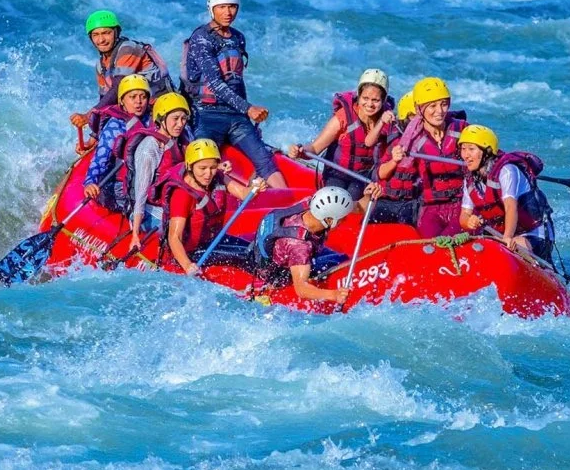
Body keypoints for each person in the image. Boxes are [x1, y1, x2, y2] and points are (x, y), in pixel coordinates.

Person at [179, 0, 287, 189]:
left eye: (232, 6)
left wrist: (248, 117)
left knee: (264, 159)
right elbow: (216, 84)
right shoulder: (201, 38)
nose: (228, 12)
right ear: (211, 8)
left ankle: (288, 203)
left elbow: (237, 80)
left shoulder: (238, 38)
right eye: (222, 7)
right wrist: (248, 108)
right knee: (205, 161)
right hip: (205, 114)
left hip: (235, 114)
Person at [252, 183, 382, 306]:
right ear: (330, 220)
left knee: (340, 257)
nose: (345, 220)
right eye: (342, 218)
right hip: (280, 273)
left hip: (282, 251)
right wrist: (334, 295)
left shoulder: (313, 205)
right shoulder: (300, 246)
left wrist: (369, 197)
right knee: (338, 260)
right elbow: (301, 289)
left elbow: (358, 207)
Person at [162, 138, 265, 277]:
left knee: (255, 250)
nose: (208, 174)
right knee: (246, 257)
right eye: (202, 168)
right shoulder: (182, 195)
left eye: (212, 167)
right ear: (190, 167)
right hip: (192, 253)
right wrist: (187, 265)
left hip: (212, 242)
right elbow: (174, 237)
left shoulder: (218, 177)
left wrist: (255, 189)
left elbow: (243, 193)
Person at [289, 68, 395, 200]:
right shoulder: (344, 117)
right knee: (336, 199)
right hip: (337, 173)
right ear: (358, 96)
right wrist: (300, 151)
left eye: (375, 100)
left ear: (384, 100)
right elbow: (315, 148)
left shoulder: (388, 120)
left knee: (352, 199)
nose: (369, 104)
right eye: (365, 98)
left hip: (364, 177)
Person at [385, 77, 468, 238]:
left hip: (463, 205)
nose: (440, 111)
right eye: (433, 106)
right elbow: (384, 175)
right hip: (431, 208)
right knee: (429, 244)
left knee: (450, 241)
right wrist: (395, 160)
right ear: (419, 109)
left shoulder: (462, 130)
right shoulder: (410, 140)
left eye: (444, 104)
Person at [458, 125, 554, 261]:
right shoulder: (470, 179)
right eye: (463, 149)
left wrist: (507, 237)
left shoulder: (507, 170)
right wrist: (469, 221)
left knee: (504, 252)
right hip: (503, 237)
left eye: (471, 149)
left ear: (487, 152)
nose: (465, 155)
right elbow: (464, 216)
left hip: (534, 235)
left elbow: (511, 207)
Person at [70, 10, 173, 136]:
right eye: (95, 35)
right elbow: (105, 102)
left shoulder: (128, 49)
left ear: (116, 33)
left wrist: (88, 116)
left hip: (163, 109)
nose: (101, 39)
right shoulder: (100, 66)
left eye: (106, 33)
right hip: (138, 112)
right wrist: (94, 136)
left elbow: (118, 88)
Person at [119, 92, 192, 252]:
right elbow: (141, 193)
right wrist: (135, 235)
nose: (180, 124)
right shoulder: (150, 149)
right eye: (175, 119)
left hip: (172, 206)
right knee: (188, 230)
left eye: (183, 119)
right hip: (147, 212)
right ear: (162, 119)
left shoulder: (181, 140)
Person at [83, 74, 151, 210]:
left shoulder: (152, 119)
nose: (138, 101)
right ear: (122, 101)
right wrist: (90, 182)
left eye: (143, 97)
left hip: (144, 181)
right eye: (132, 97)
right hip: (117, 187)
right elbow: (99, 159)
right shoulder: (114, 127)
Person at [371, 88, 420, 225]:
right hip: (386, 198)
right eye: (414, 118)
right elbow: (381, 173)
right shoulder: (394, 140)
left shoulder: (429, 144)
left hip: (411, 202)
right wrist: (394, 161)